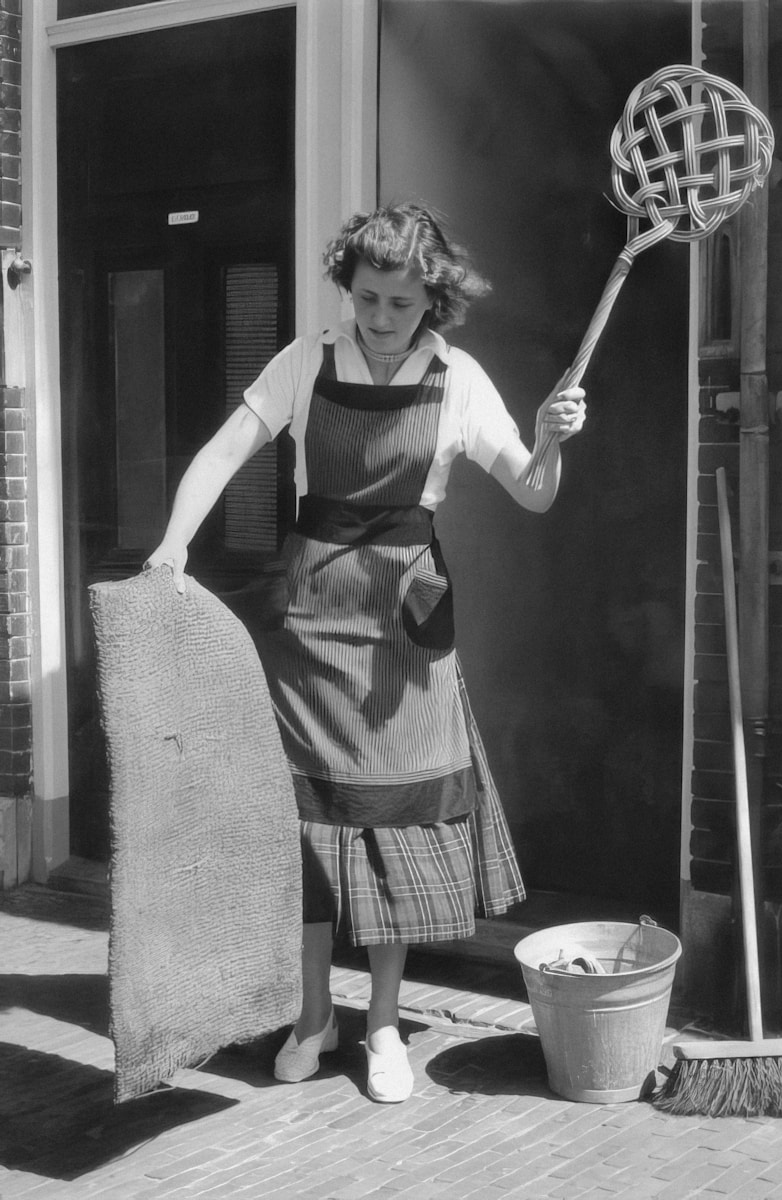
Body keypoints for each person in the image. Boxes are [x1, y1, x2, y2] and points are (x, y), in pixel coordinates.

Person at [147, 203, 586, 1104]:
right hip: (310, 620)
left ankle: (383, 1023)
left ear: (434, 300)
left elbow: (534, 493)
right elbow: (226, 449)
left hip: (406, 631)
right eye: (369, 297)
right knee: (305, 832)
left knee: (397, 827)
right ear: (347, 285)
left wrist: (551, 436)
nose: (382, 319)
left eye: (402, 303)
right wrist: (170, 546)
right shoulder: (305, 361)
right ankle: (316, 1016)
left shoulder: (459, 379)